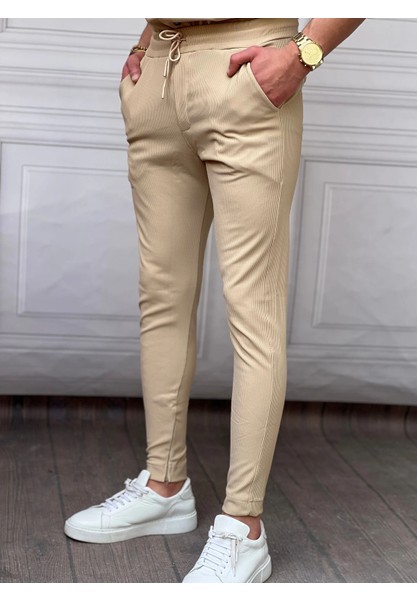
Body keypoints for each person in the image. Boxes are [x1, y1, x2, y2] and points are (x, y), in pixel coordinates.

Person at [64, 18, 365, 583]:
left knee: (254, 310)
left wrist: (305, 52)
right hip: (159, 74)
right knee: (161, 296)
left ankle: (243, 528)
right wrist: (144, 42)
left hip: (244, 69)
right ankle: (165, 486)